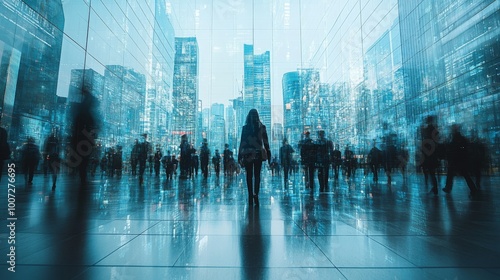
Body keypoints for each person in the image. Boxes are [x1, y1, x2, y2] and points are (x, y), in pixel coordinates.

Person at [238, 109, 271, 206]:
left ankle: (250, 195)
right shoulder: (262, 127)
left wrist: (239, 155)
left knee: (249, 175)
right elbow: (266, 143)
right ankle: (256, 193)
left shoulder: (245, 128)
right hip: (258, 154)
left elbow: (242, 142)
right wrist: (269, 156)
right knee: (257, 175)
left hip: (248, 154)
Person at [442, 124, 478, 197]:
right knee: (463, 174)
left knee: (453, 174)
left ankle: (448, 188)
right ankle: (473, 188)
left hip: (456, 159)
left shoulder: (455, 138)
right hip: (460, 159)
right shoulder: (459, 137)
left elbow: (453, 148)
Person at [420, 115, 440, 195]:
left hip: (428, 154)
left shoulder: (426, 130)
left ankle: (435, 187)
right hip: (433, 153)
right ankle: (435, 187)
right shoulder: (435, 130)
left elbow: (424, 141)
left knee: (431, 171)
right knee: (432, 171)